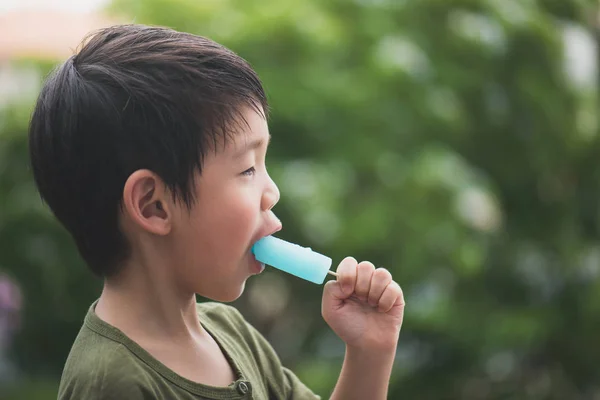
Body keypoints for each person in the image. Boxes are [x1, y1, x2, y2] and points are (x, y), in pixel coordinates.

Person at [28, 24, 405, 400]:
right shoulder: (112, 384)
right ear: (153, 205)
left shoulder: (230, 333)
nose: (271, 192)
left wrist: (369, 352)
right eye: (247, 169)